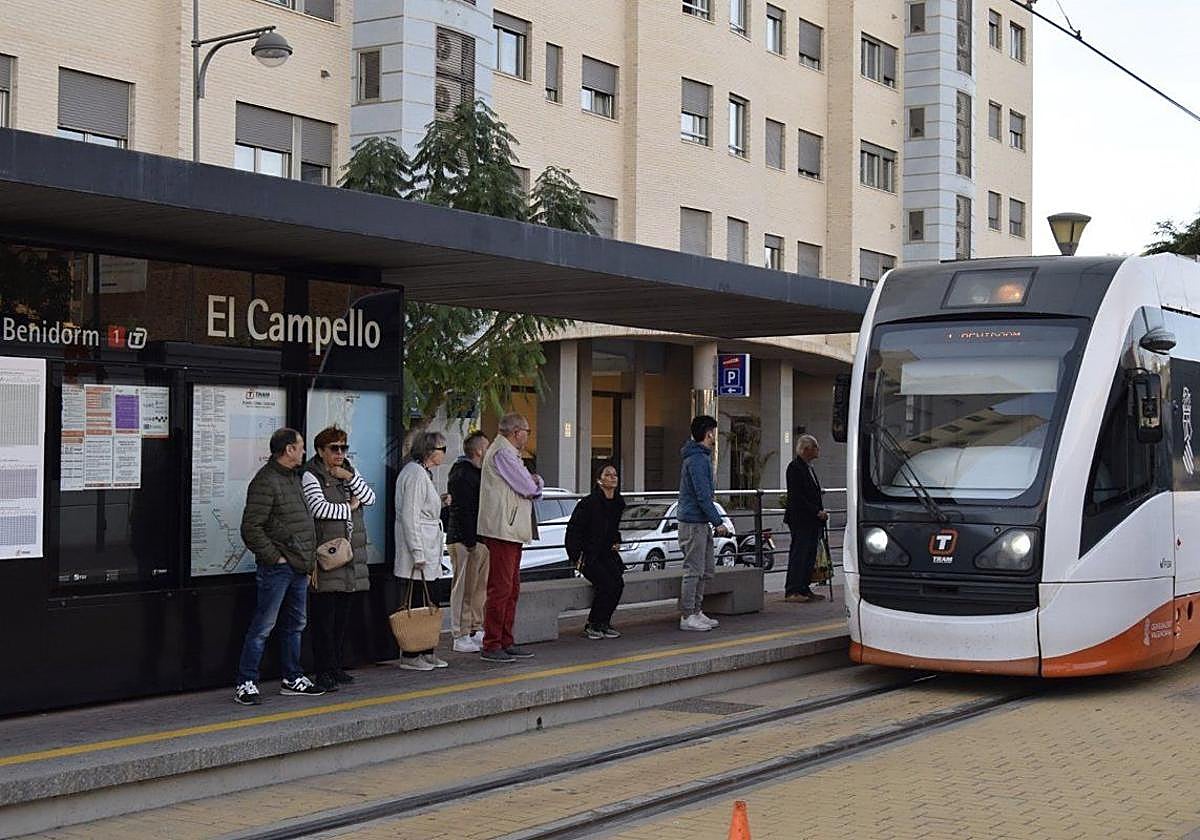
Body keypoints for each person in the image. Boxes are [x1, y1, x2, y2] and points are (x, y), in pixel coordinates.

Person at [234, 428, 325, 705]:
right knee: (263, 625)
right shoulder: (267, 481)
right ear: (288, 450)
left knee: (295, 624)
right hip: (279, 568)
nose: (304, 452)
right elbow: (251, 528)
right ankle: (246, 682)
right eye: (300, 447)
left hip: (298, 566)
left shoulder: (292, 478)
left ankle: (292, 677)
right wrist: (275, 557)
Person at [302, 426, 376, 692]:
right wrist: (350, 508)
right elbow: (318, 508)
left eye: (344, 448)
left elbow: (370, 497)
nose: (340, 453)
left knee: (342, 616)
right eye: (334, 448)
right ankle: (323, 670)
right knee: (324, 617)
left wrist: (349, 477)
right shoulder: (311, 475)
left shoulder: (348, 472)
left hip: (349, 556)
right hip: (327, 556)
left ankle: (336, 665)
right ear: (320, 451)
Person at [477, 412, 543, 663]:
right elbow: (528, 486)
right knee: (502, 587)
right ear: (516, 432)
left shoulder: (505, 452)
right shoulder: (504, 453)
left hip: (509, 527)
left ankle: (505, 639)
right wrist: (536, 484)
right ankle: (493, 642)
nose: (528, 435)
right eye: (527, 430)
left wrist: (533, 483)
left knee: (511, 587)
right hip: (503, 527)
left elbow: (527, 483)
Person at [393, 430, 450, 671]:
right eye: (441, 449)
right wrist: (417, 551)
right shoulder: (415, 474)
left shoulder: (421, 473)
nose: (444, 454)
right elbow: (410, 514)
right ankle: (412, 652)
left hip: (428, 545)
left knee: (429, 600)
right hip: (420, 549)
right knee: (417, 601)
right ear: (429, 451)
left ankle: (426, 649)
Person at [677, 415, 730, 632]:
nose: (715, 436)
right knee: (694, 570)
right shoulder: (698, 460)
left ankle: (696, 610)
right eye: (714, 432)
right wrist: (718, 522)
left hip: (699, 522)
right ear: (708, 433)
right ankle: (688, 614)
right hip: (693, 523)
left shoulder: (699, 458)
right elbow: (702, 496)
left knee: (704, 569)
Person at [565, 462, 626, 640]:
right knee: (606, 583)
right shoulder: (589, 503)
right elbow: (574, 530)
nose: (613, 477)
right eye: (608, 475)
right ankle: (593, 623)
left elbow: (613, 529)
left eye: (615, 474)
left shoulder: (618, 502)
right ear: (599, 480)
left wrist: (616, 541)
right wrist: (575, 555)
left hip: (607, 553)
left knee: (618, 583)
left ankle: (604, 622)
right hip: (588, 555)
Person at [446, 432, 490, 653]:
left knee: (478, 588)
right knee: (463, 589)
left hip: (478, 539)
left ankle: (475, 628)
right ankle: (460, 633)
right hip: (465, 540)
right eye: (487, 446)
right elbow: (463, 510)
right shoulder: (462, 473)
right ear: (479, 450)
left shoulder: (478, 472)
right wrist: (471, 541)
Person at [784, 434, 828, 603]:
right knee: (799, 553)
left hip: (813, 519)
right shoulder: (795, 467)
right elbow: (797, 496)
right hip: (801, 518)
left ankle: (804, 587)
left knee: (809, 554)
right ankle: (793, 589)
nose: (818, 450)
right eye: (815, 447)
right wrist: (816, 511)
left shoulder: (809, 467)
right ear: (806, 449)